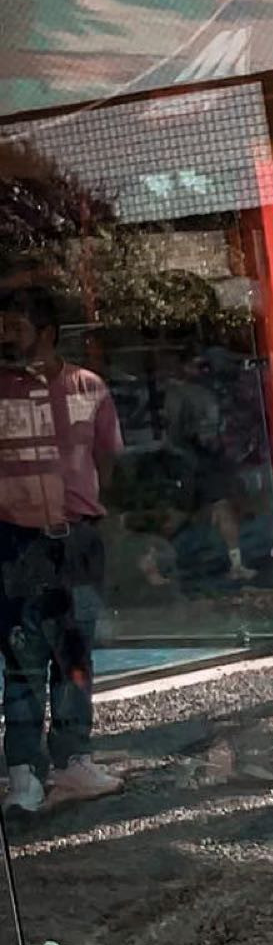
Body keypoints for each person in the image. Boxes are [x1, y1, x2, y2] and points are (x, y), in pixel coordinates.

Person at [0, 280, 125, 810]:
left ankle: (73, 760)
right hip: (16, 541)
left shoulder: (87, 388)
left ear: (47, 332)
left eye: (15, 327)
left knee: (74, 652)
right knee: (22, 654)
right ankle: (24, 772)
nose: (5, 337)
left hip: (76, 539)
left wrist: (90, 514)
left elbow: (108, 458)